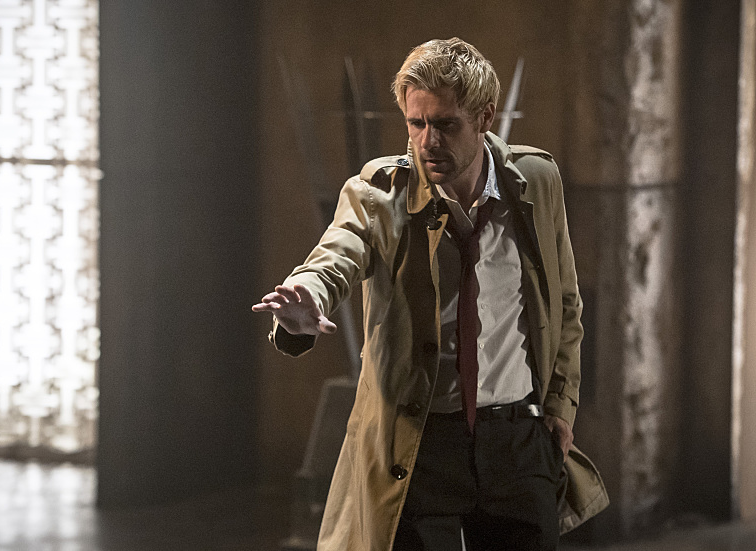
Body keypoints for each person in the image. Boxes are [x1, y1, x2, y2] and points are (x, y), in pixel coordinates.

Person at [253, 38, 607, 551]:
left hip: (516, 438)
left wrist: (560, 406)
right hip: (420, 445)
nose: (427, 141)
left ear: (485, 117)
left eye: (444, 124)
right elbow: (336, 255)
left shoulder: (535, 180)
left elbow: (565, 303)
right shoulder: (379, 192)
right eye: (415, 123)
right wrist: (307, 297)